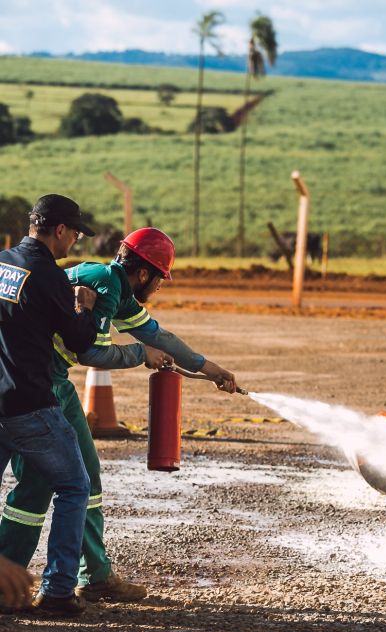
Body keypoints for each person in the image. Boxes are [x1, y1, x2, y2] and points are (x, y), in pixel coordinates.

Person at [0, 227, 237, 604]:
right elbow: (91, 353)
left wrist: (210, 369)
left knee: (81, 476)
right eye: (160, 278)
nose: (160, 286)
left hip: (39, 381)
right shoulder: (105, 284)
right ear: (144, 273)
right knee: (50, 484)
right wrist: (139, 355)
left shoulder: (114, 286)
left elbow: (161, 336)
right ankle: (31, 580)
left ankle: (92, 574)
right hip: (40, 385)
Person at [0, 193, 98, 616]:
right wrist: (86, 307)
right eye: (75, 233)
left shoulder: (2, 261)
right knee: (75, 486)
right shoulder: (48, 275)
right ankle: (59, 590)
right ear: (60, 230)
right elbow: (79, 343)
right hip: (29, 406)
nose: (75, 241)